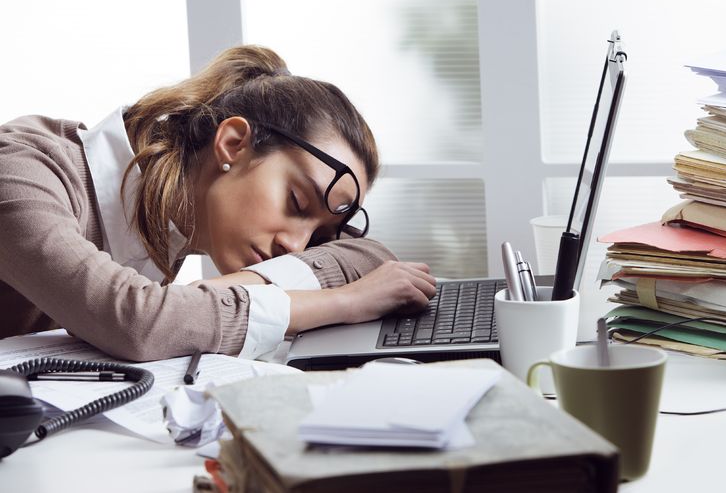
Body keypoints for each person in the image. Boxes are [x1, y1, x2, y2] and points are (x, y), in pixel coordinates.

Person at [0, 45, 436, 361]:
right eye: (296, 202)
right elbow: (134, 322)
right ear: (233, 144)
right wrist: (342, 303)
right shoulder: (22, 172)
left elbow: (371, 257)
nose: (297, 246)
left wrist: (211, 298)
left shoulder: (168, 221)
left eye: (318, 233)